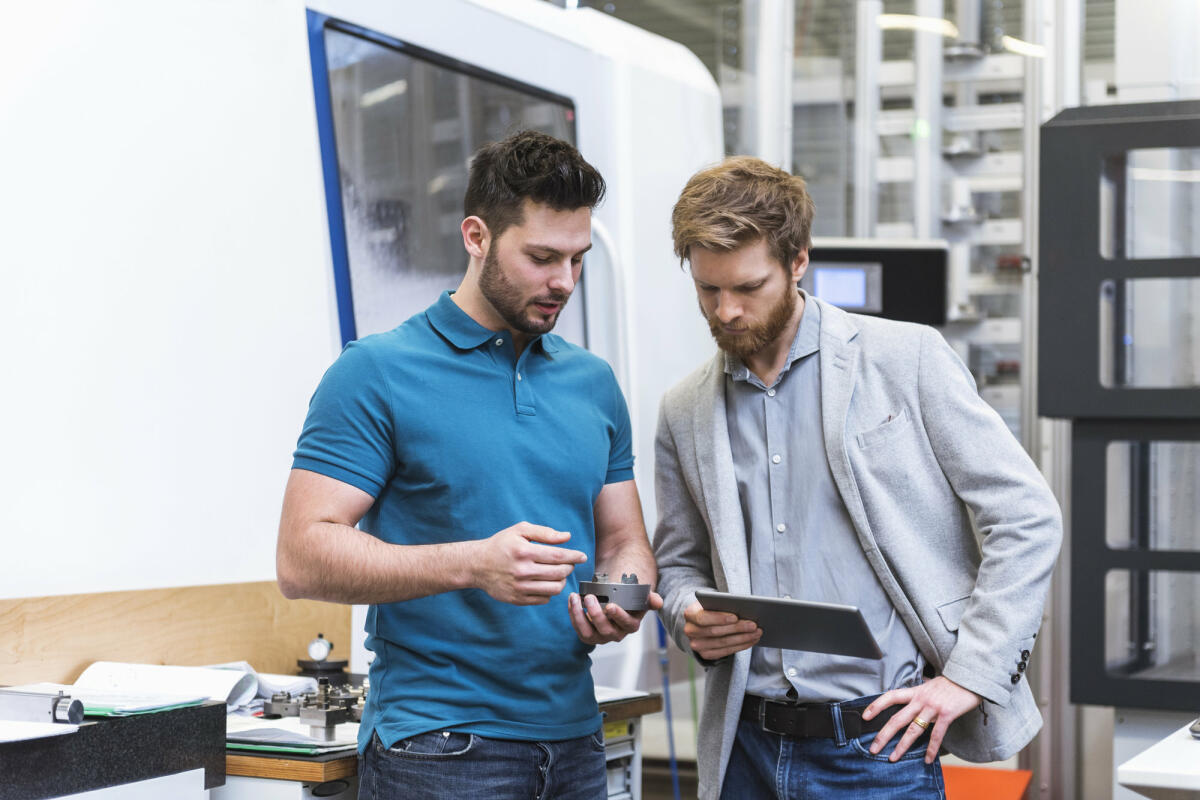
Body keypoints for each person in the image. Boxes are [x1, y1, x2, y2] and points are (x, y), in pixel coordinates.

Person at [652, 156, 1062, 800]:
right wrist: (688, 618)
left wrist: (971, 674)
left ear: (797, 262)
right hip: (742, 749)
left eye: (748, 287)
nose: (726, 311)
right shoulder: (685, 408)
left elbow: (1027, 517)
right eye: (708, 290)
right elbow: (678, 565)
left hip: (877, 748)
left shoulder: (908, 357)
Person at [276, 130, 661, 800]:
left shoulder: (593, 383)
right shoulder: (376, 371)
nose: (563, 282)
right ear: (477, 236)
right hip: (440, 745)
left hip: (575, 738)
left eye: (577, 259)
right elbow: (301, 557)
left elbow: (624, 539)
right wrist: (473, 563)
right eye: (542, 257)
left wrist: (620, 599)